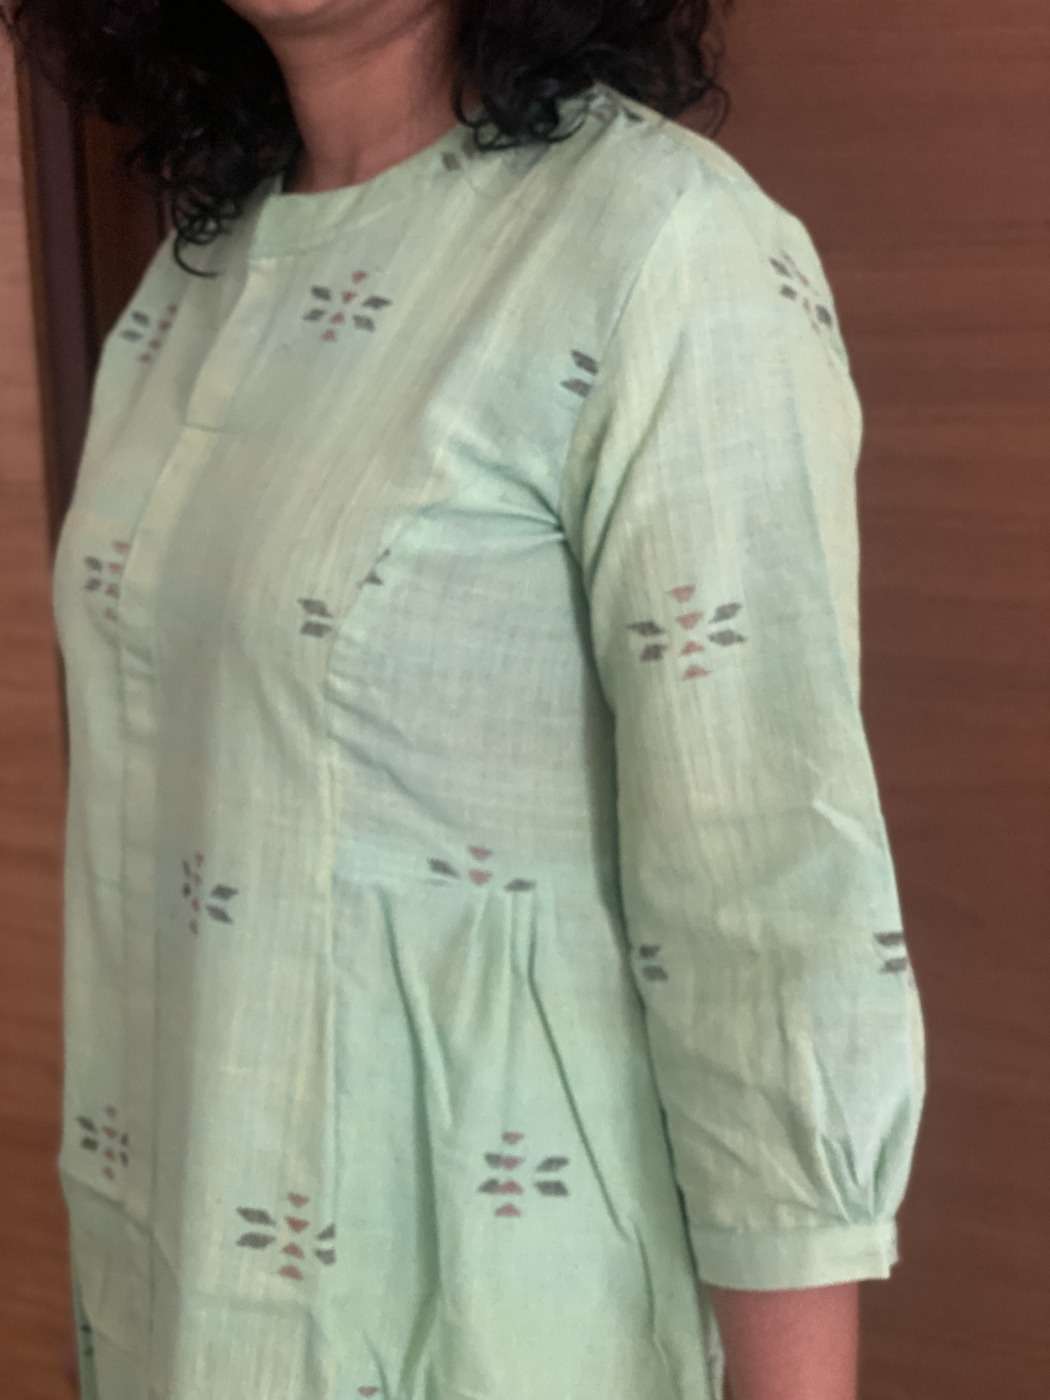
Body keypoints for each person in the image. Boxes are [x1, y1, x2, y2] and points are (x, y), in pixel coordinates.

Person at [3, 2, 927, 1398]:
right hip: (178, 1273)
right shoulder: (203, 266)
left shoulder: (661, 244)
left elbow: (765, 895)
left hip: (492, 1311)